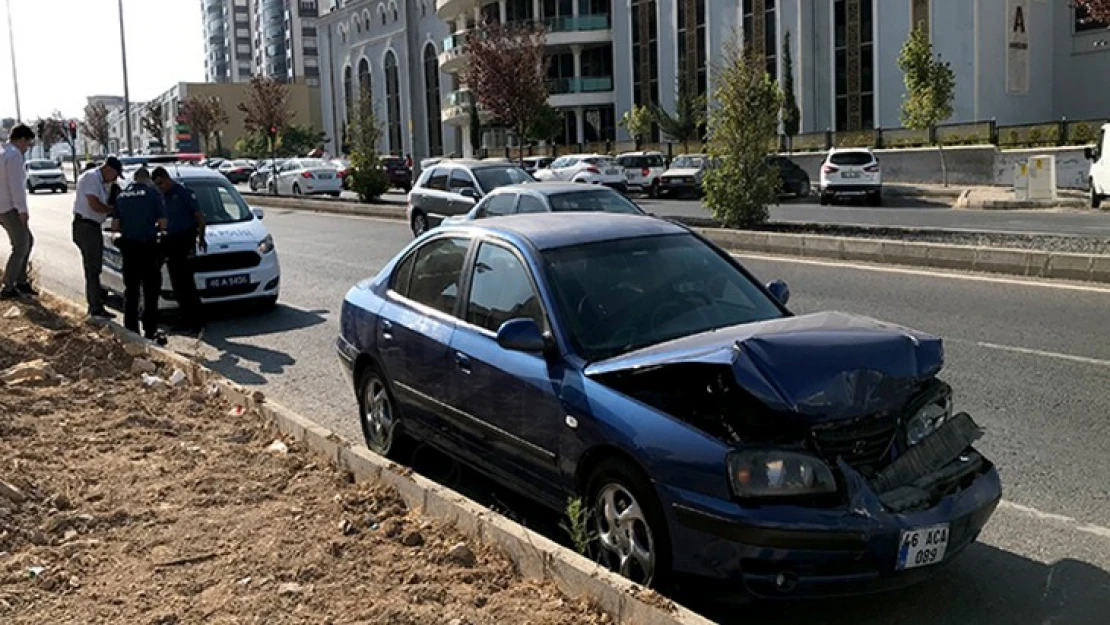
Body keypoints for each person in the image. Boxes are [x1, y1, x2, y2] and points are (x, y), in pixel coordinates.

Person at [111, 167, 167, 344]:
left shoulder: (122, 196)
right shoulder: (153, 194)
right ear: (148, 179)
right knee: (150, 291)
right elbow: (163, 223)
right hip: (148, 247)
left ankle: (131, 329)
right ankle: (150, 330)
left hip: (129, 249)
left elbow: (115, 226)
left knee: (131, 290)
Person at [152, 166, 206, 334]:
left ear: (167, 178)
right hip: (170, 240)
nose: (159, 187)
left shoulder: (182, 193)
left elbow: (199, 217)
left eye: (161, 183)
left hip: (185, 239)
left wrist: (201, 238)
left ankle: (197, 322)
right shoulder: (161, 196)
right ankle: (184, 319)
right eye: (156, 185)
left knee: (187, 283)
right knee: (177, 284)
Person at [72, 156, 122, 319]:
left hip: (92, 226)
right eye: (115, 175)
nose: (114, 179)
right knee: (93, 269)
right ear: (108, 169)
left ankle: (96, 304)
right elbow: (93, 204)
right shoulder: (91, 178)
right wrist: (112, 210)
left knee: (94, 267)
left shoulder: (101, 182)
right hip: (86, 226)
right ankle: (95, 307)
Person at [0, 124, 35, 299]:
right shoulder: (14, 156)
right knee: (21, 244)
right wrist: (22, 210)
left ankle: (21, 281)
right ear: (21, 139)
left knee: (28, 240)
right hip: (9, 207)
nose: (27, 148)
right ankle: (9, 286)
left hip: (2, 206)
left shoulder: (2, 152)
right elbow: (16, 186)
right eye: (27, 144)